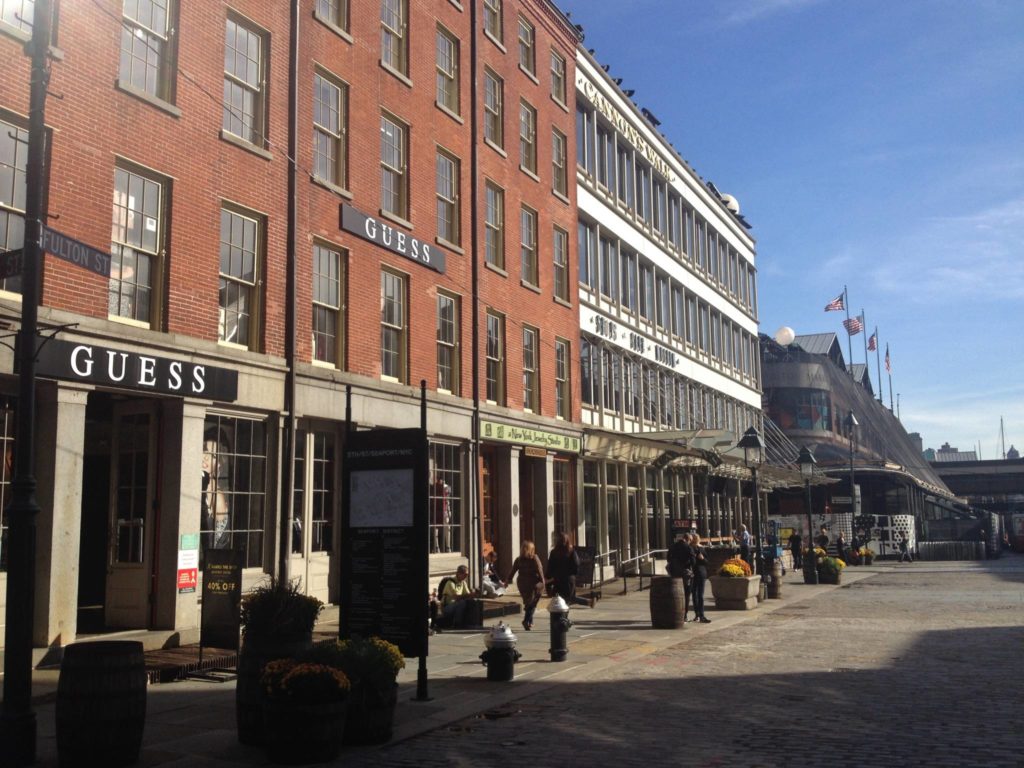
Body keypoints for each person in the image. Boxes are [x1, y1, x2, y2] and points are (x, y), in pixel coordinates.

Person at [507, 540, 545, 631]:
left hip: (522, 583)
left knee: (529, 602)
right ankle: (526, 620)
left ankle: (530, 622)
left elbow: (512, 571)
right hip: (533, 583)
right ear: (532, 549)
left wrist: (508, 580)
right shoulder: (534, 558)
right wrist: (543, 581)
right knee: (532, 603)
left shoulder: (518, 559)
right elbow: (540, 570)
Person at [547, 532, 591, 607]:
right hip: (568, 579)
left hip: (557, 580)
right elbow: (576, 564)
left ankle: (561, 616)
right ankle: (564, 615)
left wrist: (549, 579)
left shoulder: (553, 552)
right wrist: (573, 574)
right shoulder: (571, 551)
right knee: (568, 599)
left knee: (559, 599)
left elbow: (550, 567)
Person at [667, 533, 696, 622]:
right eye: (690, 541)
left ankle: (674, 613)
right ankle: (684, 615)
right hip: (685, 573)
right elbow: (693, 561)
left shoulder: (673, 546)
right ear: (688, 539)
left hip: (675, 573)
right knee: (686, 594)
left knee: (675, 594)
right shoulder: (688, 547)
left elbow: (668, 558)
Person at [689, 533, 711, 623]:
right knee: (695, 593)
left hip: (701, 572)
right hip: (695, 572)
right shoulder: (690, 548)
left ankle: (700, 614)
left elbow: (707, 562)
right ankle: (698, 614)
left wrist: (702, 558)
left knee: (699, 594)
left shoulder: (701, 548)